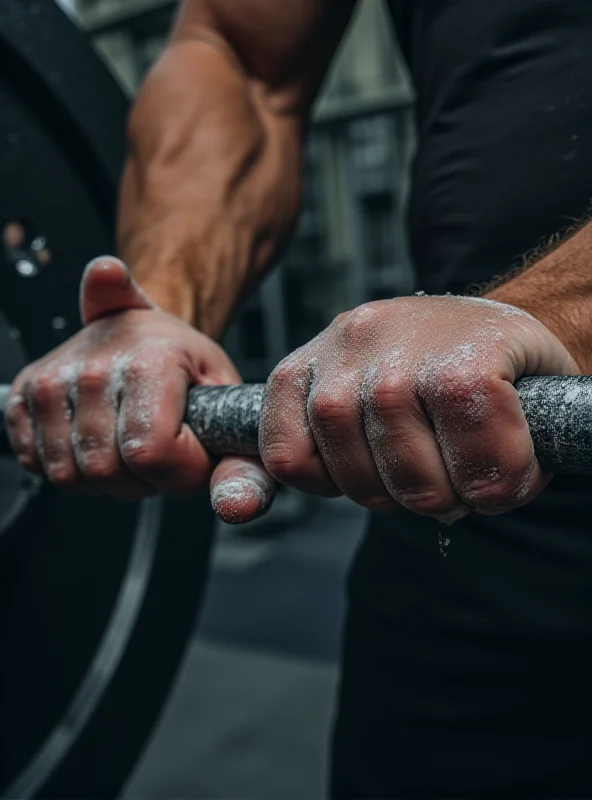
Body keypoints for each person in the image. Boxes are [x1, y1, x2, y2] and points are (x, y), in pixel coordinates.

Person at [7, 0, 592, 795]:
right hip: (451, 496)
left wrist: (547, 313)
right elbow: (241, 60)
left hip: (473, 388)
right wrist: (157, 314)